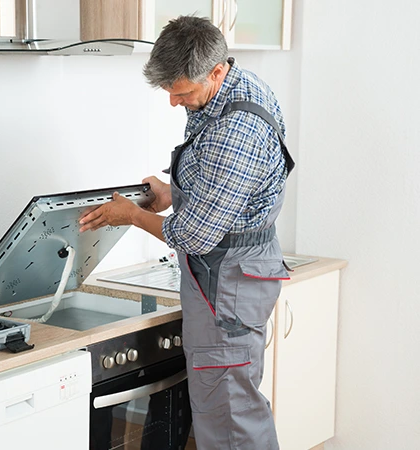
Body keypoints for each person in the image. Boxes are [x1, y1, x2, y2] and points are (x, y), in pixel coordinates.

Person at [79, 15, 295, 450]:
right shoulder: (236, 87)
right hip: (236, 276)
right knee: (236, 409)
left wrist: (132, 215)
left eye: (182, 92)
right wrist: (171, 193)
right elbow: (226, 188)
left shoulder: (236, 130)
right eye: (168, 91)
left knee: (230, 420)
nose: (173, 102)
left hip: (227, 283)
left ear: (215, 71)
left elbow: (196, 237)